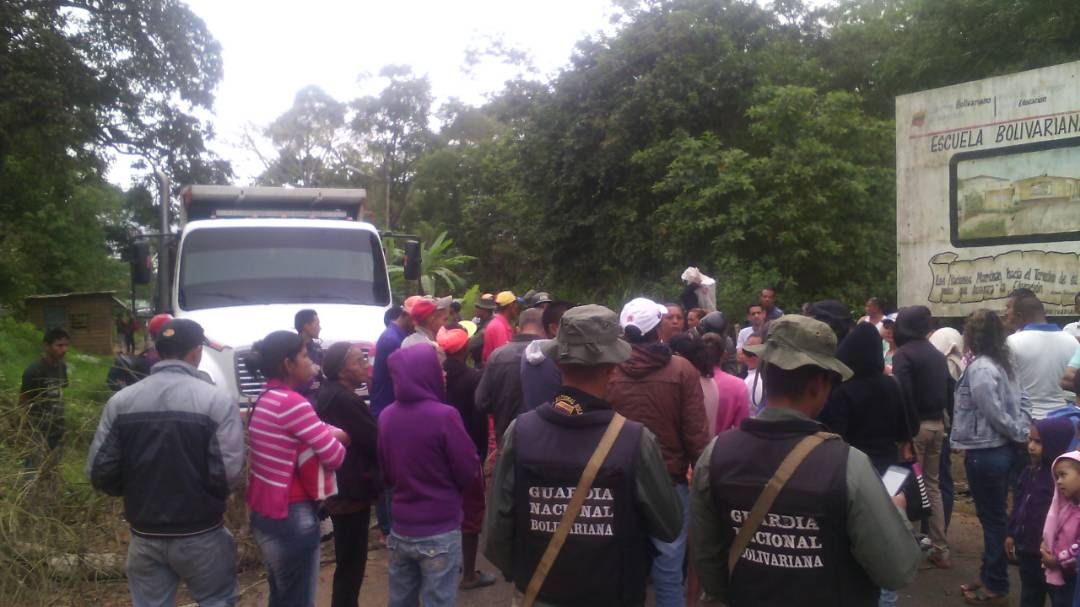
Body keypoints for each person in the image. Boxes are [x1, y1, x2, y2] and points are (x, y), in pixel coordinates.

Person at [689, 315, 921, 606]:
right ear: (818, 385)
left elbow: (708, 563)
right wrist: (895, 509)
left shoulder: (715, 455)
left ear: (765, 373)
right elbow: (898, 570)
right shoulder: (848, 465)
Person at [483, 304, 683, 606]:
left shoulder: (519, 432)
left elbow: (498, 532)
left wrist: (525, 575)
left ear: (558, 364)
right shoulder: (635, 441)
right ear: (612, 366)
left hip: (539, 592)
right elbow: (669, 525)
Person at [86, 318, 244, 606]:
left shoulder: (121, 401)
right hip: (201, 534)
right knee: (216, 601)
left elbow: (100, 472)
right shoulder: (217, 401)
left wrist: (140, 490)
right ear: (196, 352)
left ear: (158, 351)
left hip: (145, 536)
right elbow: (228, 475)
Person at [608, 297, 708, 607]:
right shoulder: (682, 370)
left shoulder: (609, 370)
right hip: (670, 480)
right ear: (659, 328)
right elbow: (696, 434)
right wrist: (701, 475)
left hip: (617, 479)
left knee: (622, 564)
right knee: (668, 565)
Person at [247, 330, 348, 607]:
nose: (309, 361)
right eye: (303, 356)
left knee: (281, 597)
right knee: (298, 600)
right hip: (292, 517)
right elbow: (335, 456)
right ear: (288, 364)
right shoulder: (293, 404)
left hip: (266, 513)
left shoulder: (266, 397)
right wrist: (341, 437)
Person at [378, 344, 480, 607]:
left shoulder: (386, 417)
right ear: (424, 374)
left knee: (400, 600)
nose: (444, 375)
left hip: (401, 529)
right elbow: (468, 471)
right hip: (439, 529)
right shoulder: (444, 416)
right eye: (438, 369)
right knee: (439, 601)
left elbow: (387, 473)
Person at [950, 310, 1031, 604]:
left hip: (988, 451)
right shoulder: (1004, 363)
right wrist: (1021, 429)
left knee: (993, 521)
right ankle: (988, 575)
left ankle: (995, 583)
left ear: (973, 335)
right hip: (1003, 449)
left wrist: (1015, 432)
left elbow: (993, 412)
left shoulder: (982, 368)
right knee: (995, 519)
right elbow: (1023, 400)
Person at [315, 342, 380, 607]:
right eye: (358, 361)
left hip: (342, 485)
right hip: (349, 490)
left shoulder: (332, 393)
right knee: (352, 562)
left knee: (349, 559)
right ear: (342, 371)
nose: (365, 366)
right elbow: (374, 440)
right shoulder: (345, 400)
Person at [436, 326, 496, 590]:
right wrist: (480, 455)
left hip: (440, 453)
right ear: (464, 349)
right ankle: (469, 574)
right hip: (468, 450)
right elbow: (479, 420)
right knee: (471, 512)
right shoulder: (473, 378)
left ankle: (448, 564)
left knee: (448, 509)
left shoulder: (438, 376)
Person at [893, 305, 952, 568]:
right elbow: (948, 392)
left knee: (903, 484)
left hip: (914, 428)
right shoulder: (937, 355)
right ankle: (940, 547)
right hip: (937, 425)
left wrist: (905, 433)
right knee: (932, 486)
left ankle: (907, 549)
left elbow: (902, 395)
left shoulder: (904, 355)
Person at [819, 323, 914, 474]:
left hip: (853, 467)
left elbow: (834, 435)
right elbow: (910, 428)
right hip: (888, 465)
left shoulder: (842, 390)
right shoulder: (894, 384)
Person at [1007, 417, 1076, 607]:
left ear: (1055, 442)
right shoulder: (1029, 472)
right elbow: (1019, 505)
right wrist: (1012, 533)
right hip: (1027, 550)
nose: (1031, 446)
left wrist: (1059, 554)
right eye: (1029, 440)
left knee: (1059, 598)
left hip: (1051, 555)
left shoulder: (1062, 482)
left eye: (1038, 441)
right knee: (1030, 595)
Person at [476, 307, 546, 446]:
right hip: (543, 442)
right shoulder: (551, 356)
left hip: (506, 439)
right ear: (545, 328)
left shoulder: (498, 355)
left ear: (518, 328)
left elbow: (481, 402)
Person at [1006, 294, 1079, 420]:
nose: (1006, 314)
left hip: (1028, 421)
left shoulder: (1012, 342)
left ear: (1019, 316)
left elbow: (1006, 386)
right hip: (1065, 421)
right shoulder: (1072, 341)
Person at [20, 326, 71, 467]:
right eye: (59, 345)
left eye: (66, 345)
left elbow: (60, 393)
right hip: (38, 429)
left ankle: (50, 488)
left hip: (57, 426)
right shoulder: (34, 370)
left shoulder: (62, 367)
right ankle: (30, 489)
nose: (64, 349)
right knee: (33, 467)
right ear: (46, 346)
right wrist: (25, 428)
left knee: (53, 467)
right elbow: (24, 400)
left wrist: (62, 424)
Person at [1042, 452, 1080, 606]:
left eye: (1063, 475)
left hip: (1074, 578)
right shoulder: (1067, 508)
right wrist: (1045, 545)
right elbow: (1054, 531)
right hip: (1062, 574)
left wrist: (1057, 560)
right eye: (1057, 477)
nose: (1059, 481)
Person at [521, 301, 572, 411]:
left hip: (535, 423)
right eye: (572, 325)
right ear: (554, 329)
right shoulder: (561, 359)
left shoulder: (528, 356)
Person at [294, 309, 324, 398]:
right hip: (298, 398)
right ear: (306, 326)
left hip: (317, 398)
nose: (320, 328)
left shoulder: (317, 349)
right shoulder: (291, 348)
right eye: (317, 324)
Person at [482, 291, 518, 363]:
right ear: (511, 305)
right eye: (515, 304)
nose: (517, 307)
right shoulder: (498, 327)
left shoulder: (502, 323)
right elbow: (505, 358)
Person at [467, 293, 497, 367]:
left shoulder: (487, 327)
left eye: (478, 307)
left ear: (484, 310)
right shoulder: (484, 322)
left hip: (483, 364)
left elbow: (470, 344)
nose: (475, 309)